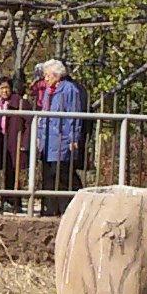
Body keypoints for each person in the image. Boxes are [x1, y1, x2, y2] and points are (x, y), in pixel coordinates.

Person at [34, 57, 88, 214]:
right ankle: (50, 208)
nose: (45, 78)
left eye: (47, 75)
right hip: (47, 138)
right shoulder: (47, 92)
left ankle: (67, 208)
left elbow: (74, 115)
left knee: (62, 173)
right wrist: (39, 135)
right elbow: (43, 114)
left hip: (61, 138)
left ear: (56, 75)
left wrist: (73, 137)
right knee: (47, 174)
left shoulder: (70, 90)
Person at [0, 75, 24, 205]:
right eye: (1, 88)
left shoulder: (18, 102)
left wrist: (24, 143)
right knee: (2, 168)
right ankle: (5, 198)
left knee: (12, 170)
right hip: (0, 138)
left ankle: (14, 200)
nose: (4, 91)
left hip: (14, 139)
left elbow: (28, 123)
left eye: (7, 88)